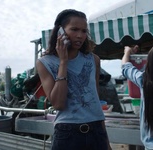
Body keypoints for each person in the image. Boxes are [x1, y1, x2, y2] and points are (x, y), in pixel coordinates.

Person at [36, 9, 111, 150]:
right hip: (67, 133)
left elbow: (95, 101)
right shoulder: (45, 62)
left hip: (96, 131)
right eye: (74, 29)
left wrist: (106, 140)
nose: (80, 36)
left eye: (84, 31)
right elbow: (58, 103)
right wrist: (63, 61)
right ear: (60, 32)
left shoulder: (93, 60)